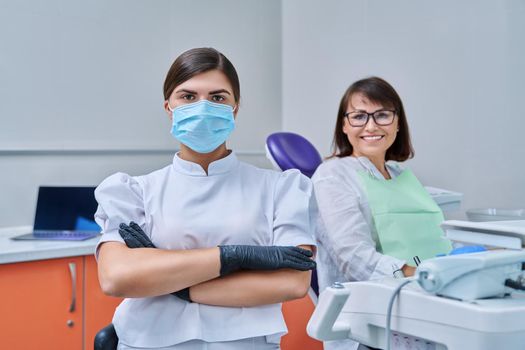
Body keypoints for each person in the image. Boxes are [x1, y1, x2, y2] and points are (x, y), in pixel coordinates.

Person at [94, 47, 317, 350]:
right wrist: (233, 257)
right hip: (146, 342)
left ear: (235, 107)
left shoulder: (281, 188)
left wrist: (173, 283)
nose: (203, 107)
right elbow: (117, 278)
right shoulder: (133, 191)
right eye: (188, 96)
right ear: (168, 107)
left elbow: (292, 282)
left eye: (217, 97)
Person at [312, 77, 452, 350]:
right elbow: (355, 258)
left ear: (398, 123)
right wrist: (426, 276)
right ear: (344, 125)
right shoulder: (332, 176)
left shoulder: (401, 175)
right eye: (359, 116)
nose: (371, 126)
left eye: (383, 115)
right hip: (368, 329)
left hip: (421, 309)